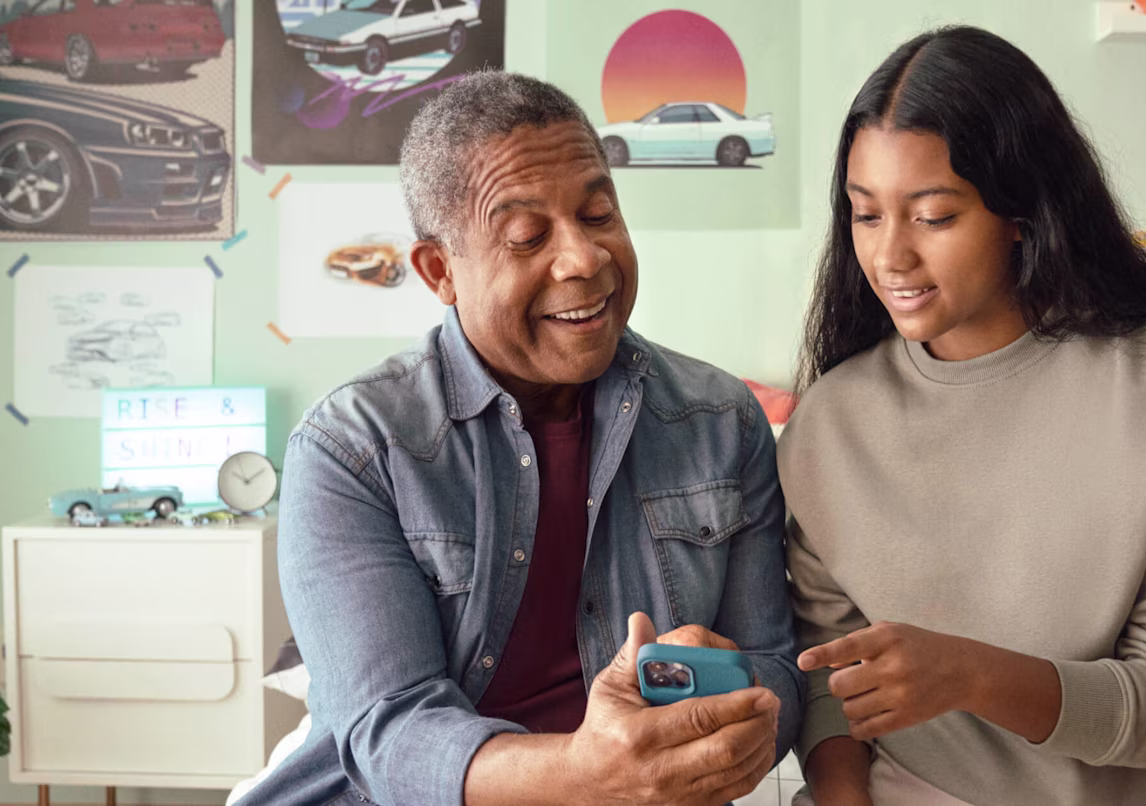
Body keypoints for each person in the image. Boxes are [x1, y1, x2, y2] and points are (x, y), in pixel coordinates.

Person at [239, 72, 802, 806]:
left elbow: (781, 669)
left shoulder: (721, 422)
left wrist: (741, 693)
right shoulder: (354, 449)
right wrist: (588, 773)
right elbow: (390, 734)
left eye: (599, 215)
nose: (584, 259)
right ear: (440, 270)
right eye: (528, 237)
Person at [779, 26, 1146, 806]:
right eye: (866, 214)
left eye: (934, 216)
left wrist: (973, 675)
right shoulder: (831, 421)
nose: (890, 257)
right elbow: (828, 685)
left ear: (1023, 212)